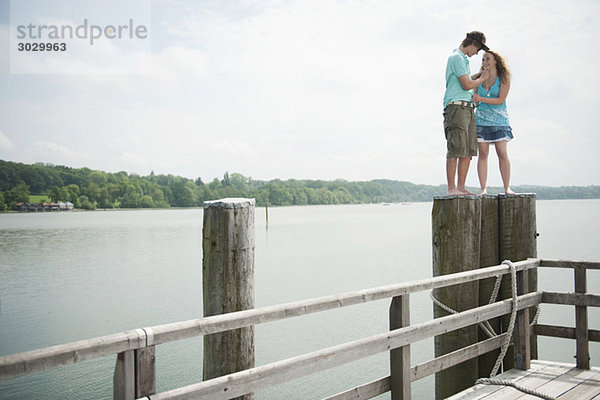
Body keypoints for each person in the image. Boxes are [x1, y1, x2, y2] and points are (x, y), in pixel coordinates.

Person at [443, 31, 490, 196]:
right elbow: (466, 84)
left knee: (468, 151)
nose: (477, 53)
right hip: (456, 108)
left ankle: (461, 187)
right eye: (478, 49)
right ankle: (451, 188)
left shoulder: (463, 60)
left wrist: (478, 78)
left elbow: (468, 81)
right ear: (473, 44)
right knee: (456, 148)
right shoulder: (456, 57)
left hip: (467, 108)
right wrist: (482, 78)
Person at [472, 51, 515, 195]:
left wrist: (481, 99)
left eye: (488, 59)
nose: (485, 61)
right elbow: (472, 92)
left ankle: (507, 187)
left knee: (502, 153)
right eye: (483, 59)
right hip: (481, 120)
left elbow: (500, 100)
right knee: (483, 154)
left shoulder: (504, 78)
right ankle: (483, 189)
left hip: (499, 120)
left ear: (496, 61)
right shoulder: (480, 78)